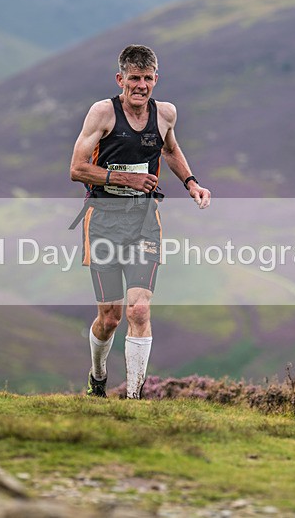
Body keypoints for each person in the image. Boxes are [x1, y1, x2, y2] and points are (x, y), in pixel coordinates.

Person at [69, 44, 211, 399]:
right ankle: (98, 377)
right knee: (111, 318)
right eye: (134, 78)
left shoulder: (165, 114)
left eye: (148, 79)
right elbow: (77, 169)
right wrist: (125, 179)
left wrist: (192, 183)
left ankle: (134, 399)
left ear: (155, 80)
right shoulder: (102, 113)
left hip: (145, 221)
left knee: (140, 309)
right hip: (102, 220)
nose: (141, 86)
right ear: (120, 79)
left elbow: (170, 149)